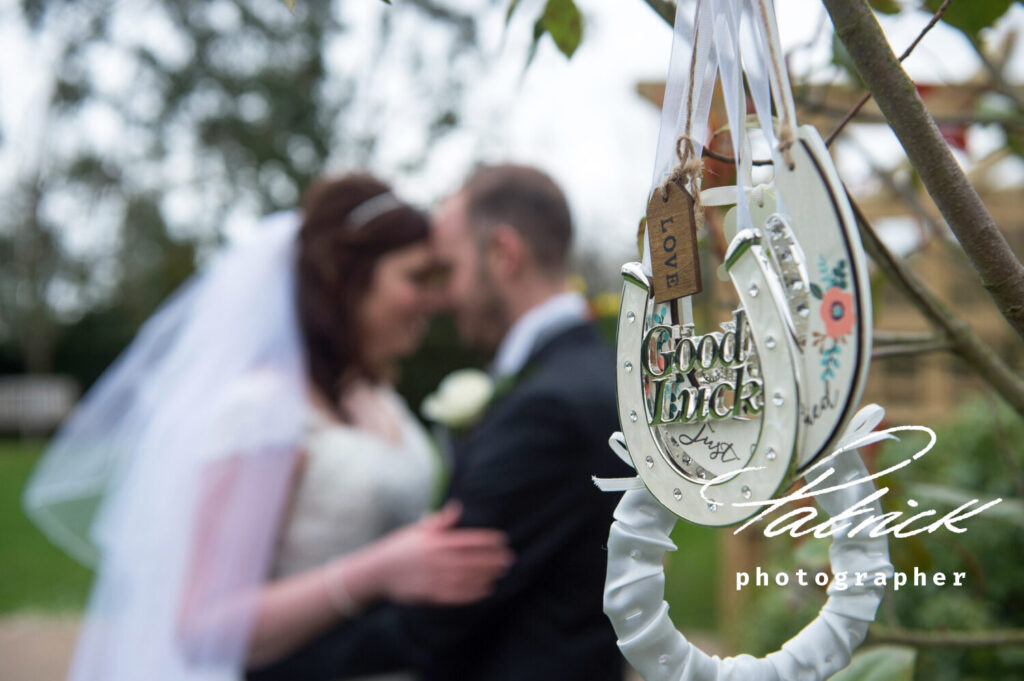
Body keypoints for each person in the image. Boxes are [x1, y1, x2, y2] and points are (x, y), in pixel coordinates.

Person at [23, 174, 513, 681]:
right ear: (347, 277)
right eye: (415, 278)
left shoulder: (376, 396)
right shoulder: (262, 408)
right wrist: (379, 571)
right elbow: (201, 625)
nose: (433, 302)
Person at [247, 165, 630, 681]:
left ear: (503, 255)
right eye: (421, 278)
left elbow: (439, 616)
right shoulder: (597, 370)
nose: (441, 298)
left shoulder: (545, 406)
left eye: (446, 270)